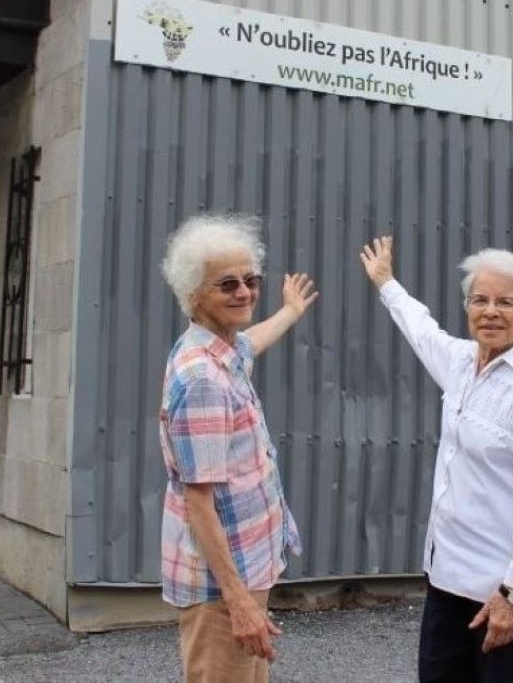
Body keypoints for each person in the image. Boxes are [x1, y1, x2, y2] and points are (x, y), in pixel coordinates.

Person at [360, 236, 513, 682]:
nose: (490, 311)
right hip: (447, 579)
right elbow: (421, 329)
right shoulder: (461, 363)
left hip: (503, 594)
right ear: (467, 307)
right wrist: (385, 282)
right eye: (480, 299)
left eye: (506, 302)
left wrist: (512, 593)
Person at [159, 213, 318, 682]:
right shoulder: (204, 378)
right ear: (192, 295)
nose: (245, 292)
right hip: (222, 588)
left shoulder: (221, 351)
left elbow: (250, 341)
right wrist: (239, 602)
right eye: (227, 284)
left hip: (242, 575)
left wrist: (290, 311)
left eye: (251, 280)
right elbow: (199, 502)